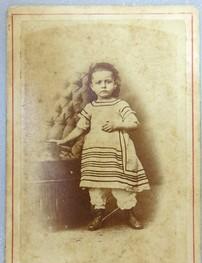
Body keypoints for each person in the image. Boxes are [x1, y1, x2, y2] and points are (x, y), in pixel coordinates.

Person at [49, 62, 150, 231]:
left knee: (121, 184)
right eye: (99, 82)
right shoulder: (90, 108)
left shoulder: (120, 105)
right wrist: (65, 140)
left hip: (117, 151)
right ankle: (98, 215)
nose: (103, 85)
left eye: (107, 81)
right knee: (96, 185)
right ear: (92, 86)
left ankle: (129, 213)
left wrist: (118, 124)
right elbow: (80, 128)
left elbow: (134, 122)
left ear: (115, 83)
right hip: (94, 152)